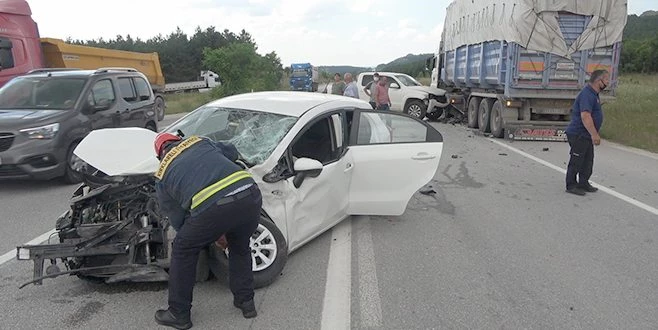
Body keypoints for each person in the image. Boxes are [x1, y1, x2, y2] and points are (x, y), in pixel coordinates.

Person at [152, 132, 262, 329]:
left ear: (159, 154)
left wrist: (205, 233)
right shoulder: (199, 141)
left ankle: (179, 313)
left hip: (215, 208)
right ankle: (246, 303)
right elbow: (231, 151)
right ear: (178, 140)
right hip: (249, 193)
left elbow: (177, 217)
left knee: (182, 248)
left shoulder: (161, 174)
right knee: (240, 247)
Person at [564, 69, 609, 196]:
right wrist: (594, 134)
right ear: (598, 81)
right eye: (606, 80)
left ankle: (583, 182)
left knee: (588, 160)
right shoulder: (587, 94)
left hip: (586, 134)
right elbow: (585, 116)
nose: (607, 83)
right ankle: (571, 185)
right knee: (577, 159)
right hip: (579, 133)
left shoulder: (594, 94)